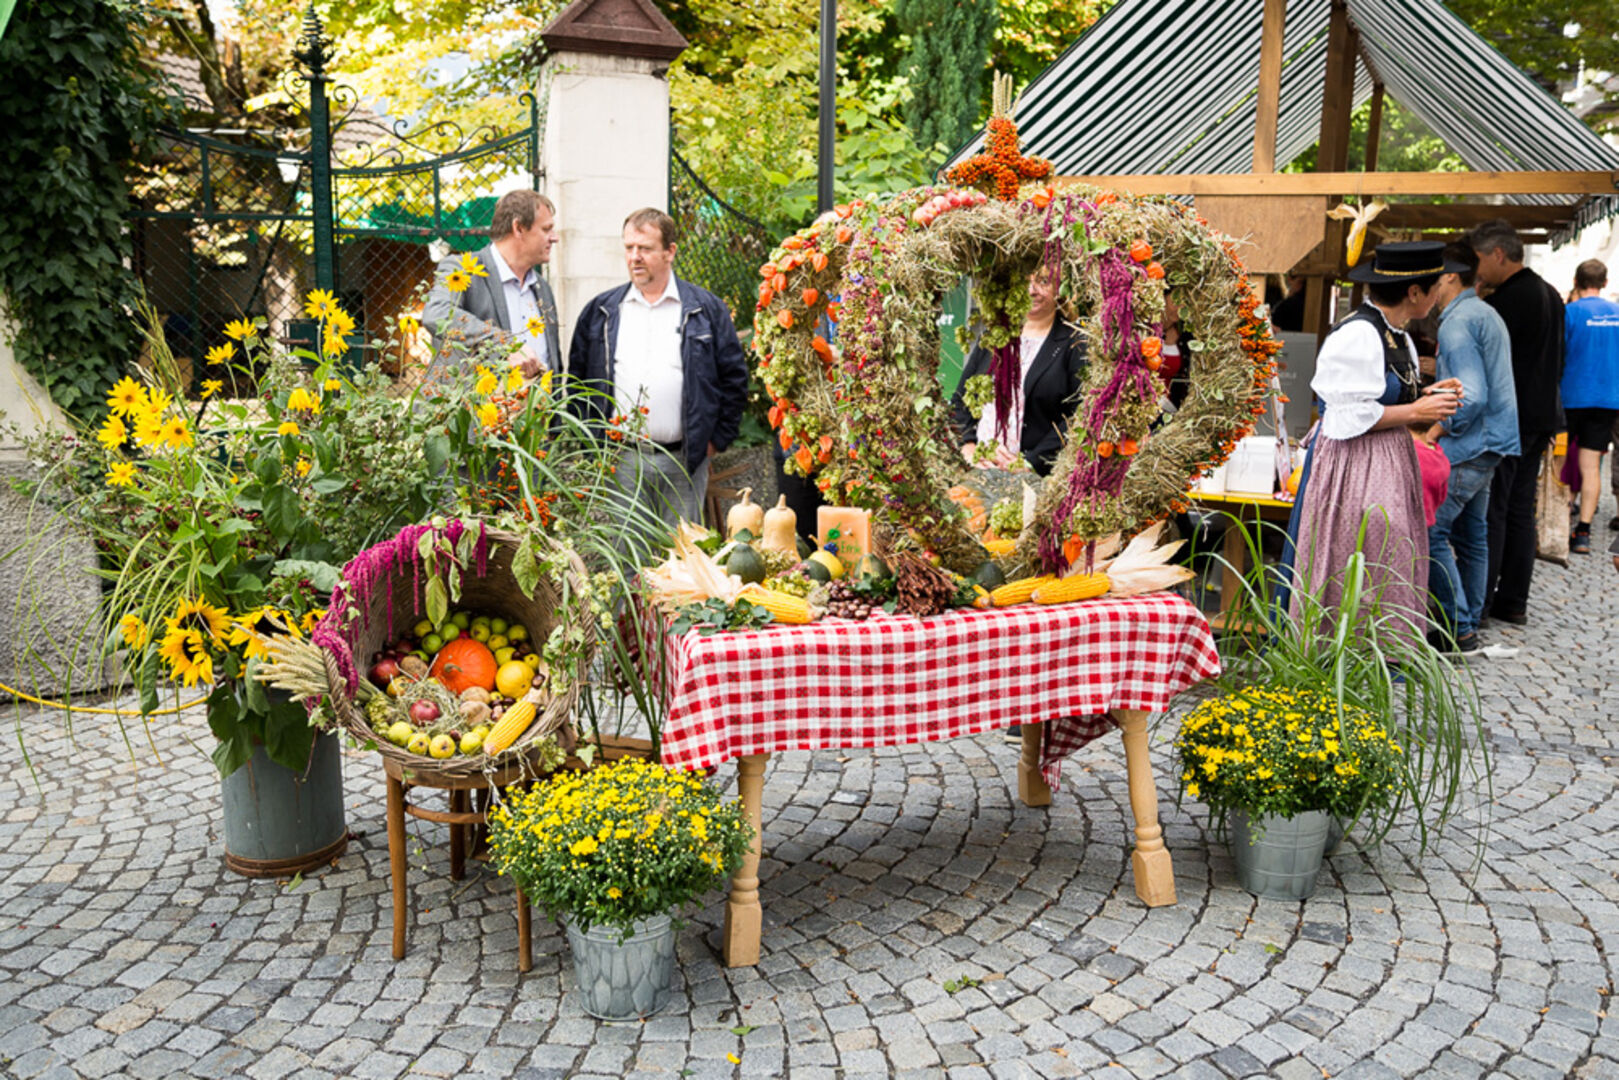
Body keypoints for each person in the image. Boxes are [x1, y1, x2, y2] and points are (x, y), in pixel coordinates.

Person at [1284, 242, 1463, 629]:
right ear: (1414, 292)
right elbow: (1346, 414)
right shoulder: (1359, 335)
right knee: (1355, 548)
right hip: (1352, 463)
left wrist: (1430, 395)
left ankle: (1380, 646)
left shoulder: (1398, 335)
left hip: (1385, 456)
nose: (1438, 295)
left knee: (1388, 549)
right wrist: (1417, 411)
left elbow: (1384, 394)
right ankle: (1339, 644)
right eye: (1434, 287)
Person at [568, 207, 748, 531]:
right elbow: (577, 382)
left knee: (682, 562)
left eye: (646, 248)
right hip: (621, 461)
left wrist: (714, 441)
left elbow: (734, 378)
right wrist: (593, 444)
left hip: (684, 461)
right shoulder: (602, 312)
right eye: (629, 248)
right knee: (625, 558)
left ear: (670, 252)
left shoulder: (705, 309)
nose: (635, 257)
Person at [1425, 243, 1519, 653]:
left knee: (1429, 532)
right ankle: (1469, 620)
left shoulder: (1457, 322)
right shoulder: (1485, 312)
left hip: (1470, 442)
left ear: (1448, 276)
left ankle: (1458, 627)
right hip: (1494, 440)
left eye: (1432, 275)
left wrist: (1439, 428)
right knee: (1472, 536)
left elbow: (1473, 394)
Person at [1469, 219, 1564, 624]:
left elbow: (1492, 364)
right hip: (1543, 412)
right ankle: (1513, 603)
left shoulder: (1506, 301)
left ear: (1497, 254)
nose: (1477, 270)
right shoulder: (1551, 293)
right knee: (1520, 510)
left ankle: (1484, 601)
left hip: (1514, 417)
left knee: (1497, 508)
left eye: (1478, 260)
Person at [950, 262, 1086, 476]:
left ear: (1061, 288)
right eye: (1025, 282)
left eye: (1043, 281)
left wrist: (1032, 462)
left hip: (1033, 477)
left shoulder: (1074, 343)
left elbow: (1080, 414)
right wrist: (967, 444)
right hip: (978, 470)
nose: (1032, 290)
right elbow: (960, 399)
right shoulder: (995, 336)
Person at [421, 190, 561, 382]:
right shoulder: (462, 269)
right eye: (546, 229)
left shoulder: (542, 287)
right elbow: (437, 313)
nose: (555, 238)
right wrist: (505, 345)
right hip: (473, 409)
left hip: (533, 410)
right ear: (518, 228)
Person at [1560, 259, 1619, 553]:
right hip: (1608, 400)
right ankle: (1582, 532)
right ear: (1605, 283)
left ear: (1576, 280)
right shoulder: (1617, 314)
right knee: (1591, 465)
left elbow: (1559, 354)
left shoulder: (1569, 312)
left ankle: (1558, 519)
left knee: (1559, 459)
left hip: (1570, 398)